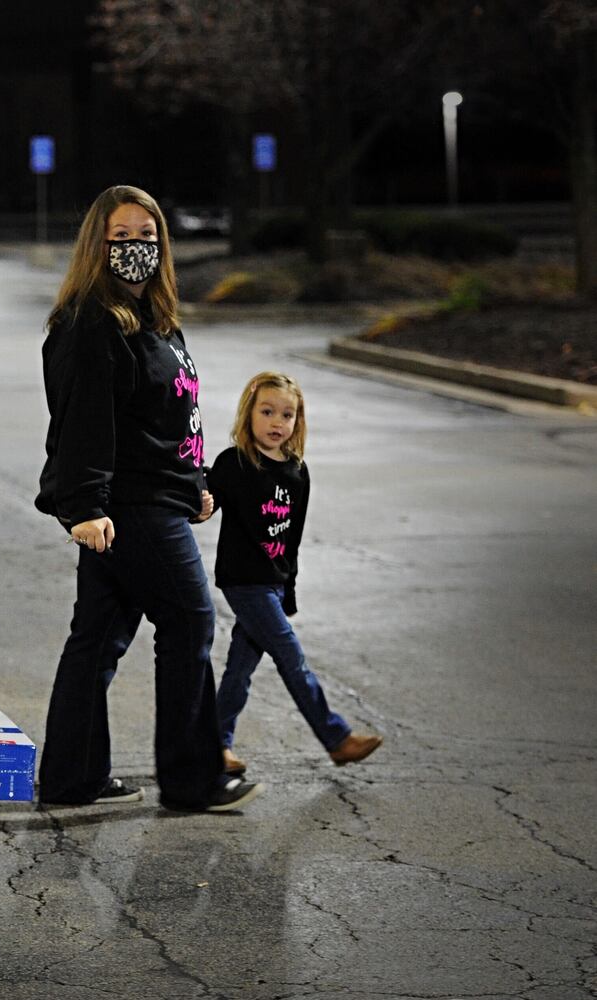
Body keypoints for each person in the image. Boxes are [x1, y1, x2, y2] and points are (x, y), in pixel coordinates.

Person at [35, 184, 261, 813]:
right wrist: (84, 507)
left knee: (98, 638)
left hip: (152, 499)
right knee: (190, 621)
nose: (136, 248)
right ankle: (193, 781)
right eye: (121, 238)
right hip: (126, 508)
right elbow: (83, 424)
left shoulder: (157, 321)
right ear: (97, 246)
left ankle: (71, 778)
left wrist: (196, 485)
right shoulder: (90, 324)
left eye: (147, 236)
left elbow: (173, 416)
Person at [203, 371, 383, 775]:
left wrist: (289, 590)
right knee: (291, 657)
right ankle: (336, 738)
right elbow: (207, 504)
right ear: (249, 414)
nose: (276, 422)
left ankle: (215, 743)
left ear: (297, 421)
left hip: (273, 584)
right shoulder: (234, 463)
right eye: (267, 412)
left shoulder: (297, 472)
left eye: (287, 414)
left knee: (240, 669)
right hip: (243, 582)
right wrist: (196, 499)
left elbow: (292, 540)